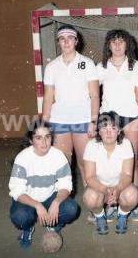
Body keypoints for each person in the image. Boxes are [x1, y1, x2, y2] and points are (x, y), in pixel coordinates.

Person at [42, 24, 99, 186]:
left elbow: (94, 95)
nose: (66, 42)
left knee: (85, 164)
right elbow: (48, 98)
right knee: (63, 165)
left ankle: (93, 207)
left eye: (70, 38)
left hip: (83, 120)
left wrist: (93, 121)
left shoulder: (87, 64)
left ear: (76, 41)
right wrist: (44, 123)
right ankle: (62, 205)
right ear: (58, 42)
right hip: (59, 121)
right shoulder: (52, 66)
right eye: (62, 39)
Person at [9, 120, 78, 248]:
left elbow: (65, 185)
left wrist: (56, 202)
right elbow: (16, 191)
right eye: (38, 138)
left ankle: (52, 225)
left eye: (47, 137)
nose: (44, 142)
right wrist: (37, 205)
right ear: (31, 140)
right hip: (28, 198)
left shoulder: (58, 156)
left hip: (50, 196)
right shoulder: (22, 158)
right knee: (20, 217)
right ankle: (28, 228)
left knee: (71, 209)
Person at [97, 29, 138, 221]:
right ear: (109, 45)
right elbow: (90, 91)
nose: (117, 45)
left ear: (127, 45)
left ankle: (133, 203)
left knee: (132, 159)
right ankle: (110, 203)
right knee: (109, 161)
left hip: (132, 117)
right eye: (113, 42)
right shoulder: (101, 66)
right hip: (109, 120)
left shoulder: (137, 66)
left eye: (121, 42)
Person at [82, 111, 138, 235]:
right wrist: (105, 190)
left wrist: (117, 189)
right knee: (89, 198)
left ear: (119, 131)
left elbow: (127, 175)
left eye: (113, 128)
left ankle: (122, 215)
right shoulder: (91, 146)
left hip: (120, 186)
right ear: (99, 131)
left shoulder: (126, 144)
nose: (108, 132)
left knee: (133, 195)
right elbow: (90, 177)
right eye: (104, 128)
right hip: (99, 186)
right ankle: (99, 216)